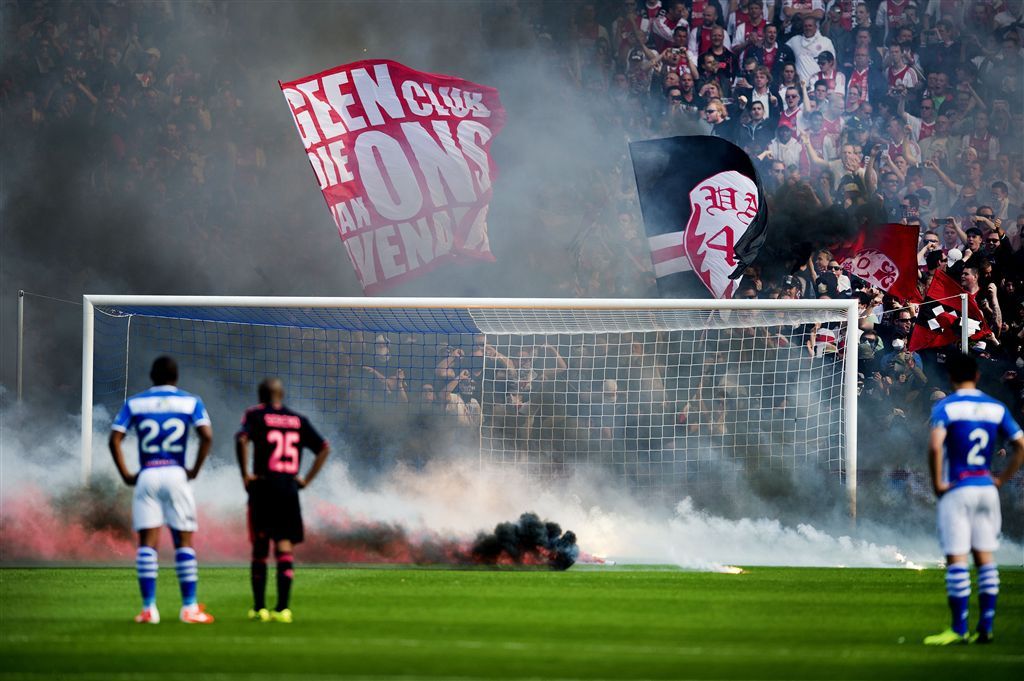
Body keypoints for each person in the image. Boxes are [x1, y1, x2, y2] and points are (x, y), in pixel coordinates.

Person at [923, 353, 1024, 645]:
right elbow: (1020, 444)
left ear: (951, 378)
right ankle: (987, 626)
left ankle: (958, 628)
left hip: (958, 488)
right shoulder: (996, 408)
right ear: (978, 375)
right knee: (985, 558)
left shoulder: (947, 407)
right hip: (986, 488)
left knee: (956, 558)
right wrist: (1001, 479)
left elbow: (934, 447)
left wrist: (938, 482)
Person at [109, 356, 215, 624]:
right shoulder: (191, 401)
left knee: (147, 543)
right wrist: (194, 469)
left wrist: (126, 474)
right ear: (175, 377)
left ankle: (148, 610)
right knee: (184, 542)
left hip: (147, 475)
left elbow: (115, 438)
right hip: (176, 473)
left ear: (151, 376)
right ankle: (189, 608)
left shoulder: (135, 402)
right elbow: (207, 436)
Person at [236, 377, 331, 623]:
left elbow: (241, 439)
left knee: (260, 547)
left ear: (261, 395)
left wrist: (245, 475)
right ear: (281, 395)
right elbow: (323, 447)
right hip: (289, 488)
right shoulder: (297, 419)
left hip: (264, 486)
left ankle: (259, 609)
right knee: (284, 546)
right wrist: (306, 480)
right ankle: (283, 609)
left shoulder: (255, 415)